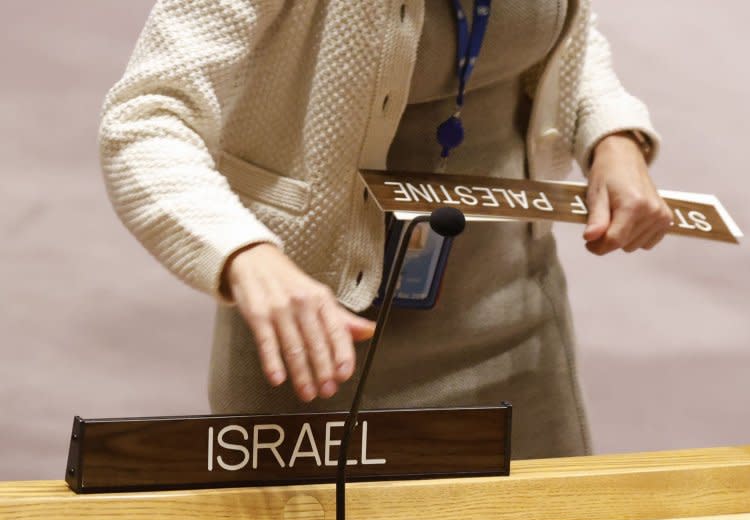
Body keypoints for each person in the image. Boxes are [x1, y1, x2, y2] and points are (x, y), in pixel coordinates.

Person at [99, 0, 672, 459]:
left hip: (513, 324)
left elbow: (563, 33)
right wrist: (243, 254)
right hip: (318, 337)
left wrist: (612, 136)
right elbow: (145, 116)